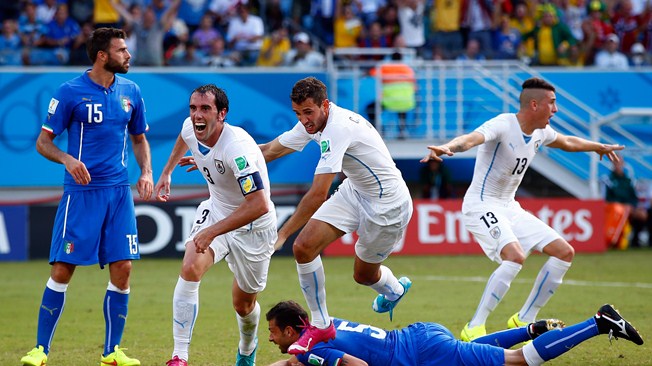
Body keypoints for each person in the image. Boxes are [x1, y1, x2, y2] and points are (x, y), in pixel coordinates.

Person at [420, 77, 625, 342]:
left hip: (509, 207)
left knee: (564, 252)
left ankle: (524, 318)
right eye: (552, 103)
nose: (556, 109)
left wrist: (597, 146)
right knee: (515, 256)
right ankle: (474, 326)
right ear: (534, 104)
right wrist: (448, 147)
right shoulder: (503, 124)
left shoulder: (540, 132)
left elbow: (567, 142)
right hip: (481, 205)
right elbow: (472, 139)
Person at [21, 27, 153, 366]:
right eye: (122, 50)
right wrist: (67, 159)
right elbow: (43, 142)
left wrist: (147, 172)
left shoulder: (131, 91)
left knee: (123, 268)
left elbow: (139, 139)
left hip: (119, 193)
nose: (128, 55)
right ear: (102, 56)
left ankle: (111, 352)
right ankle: (41, 349)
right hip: (81, 194)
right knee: (64, 268)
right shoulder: (69, 92)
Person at [259, 77, 413, 355]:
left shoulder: (338, 128)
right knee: (303, 248)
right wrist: (218, 158)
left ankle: (394, 290)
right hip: (355, 191)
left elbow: (318, 193)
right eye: (297, 113)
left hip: (387, 206)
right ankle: (321, 324)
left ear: (325, 105)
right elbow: (271, 150)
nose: (304, 120)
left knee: (363, 275)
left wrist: (282, 233)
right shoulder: (313, 121)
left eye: (308, 112)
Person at [154, 84, 277, 366]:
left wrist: (211, 231)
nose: (197, 115)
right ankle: (179, 355)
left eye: (205, 109)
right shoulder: (191, 126)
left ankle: (247, 348)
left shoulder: (238, 149)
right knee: (190, 267)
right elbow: (183, 137)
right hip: (217, 211)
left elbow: (258, 204)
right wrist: (167, 172)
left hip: (255, 228)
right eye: (194, 108)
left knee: (243, 304)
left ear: (222, 114)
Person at [266, 300, 644, 366]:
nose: (272, 339)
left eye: (273, 333)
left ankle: (598, 322)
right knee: (466, 353)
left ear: (290, 330)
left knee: (519, 362)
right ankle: (531, 328)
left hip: (424, 354)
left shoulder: (318, 351)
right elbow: (292, 363)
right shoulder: (321, 326)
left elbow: (355, 364)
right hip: (423, 337)